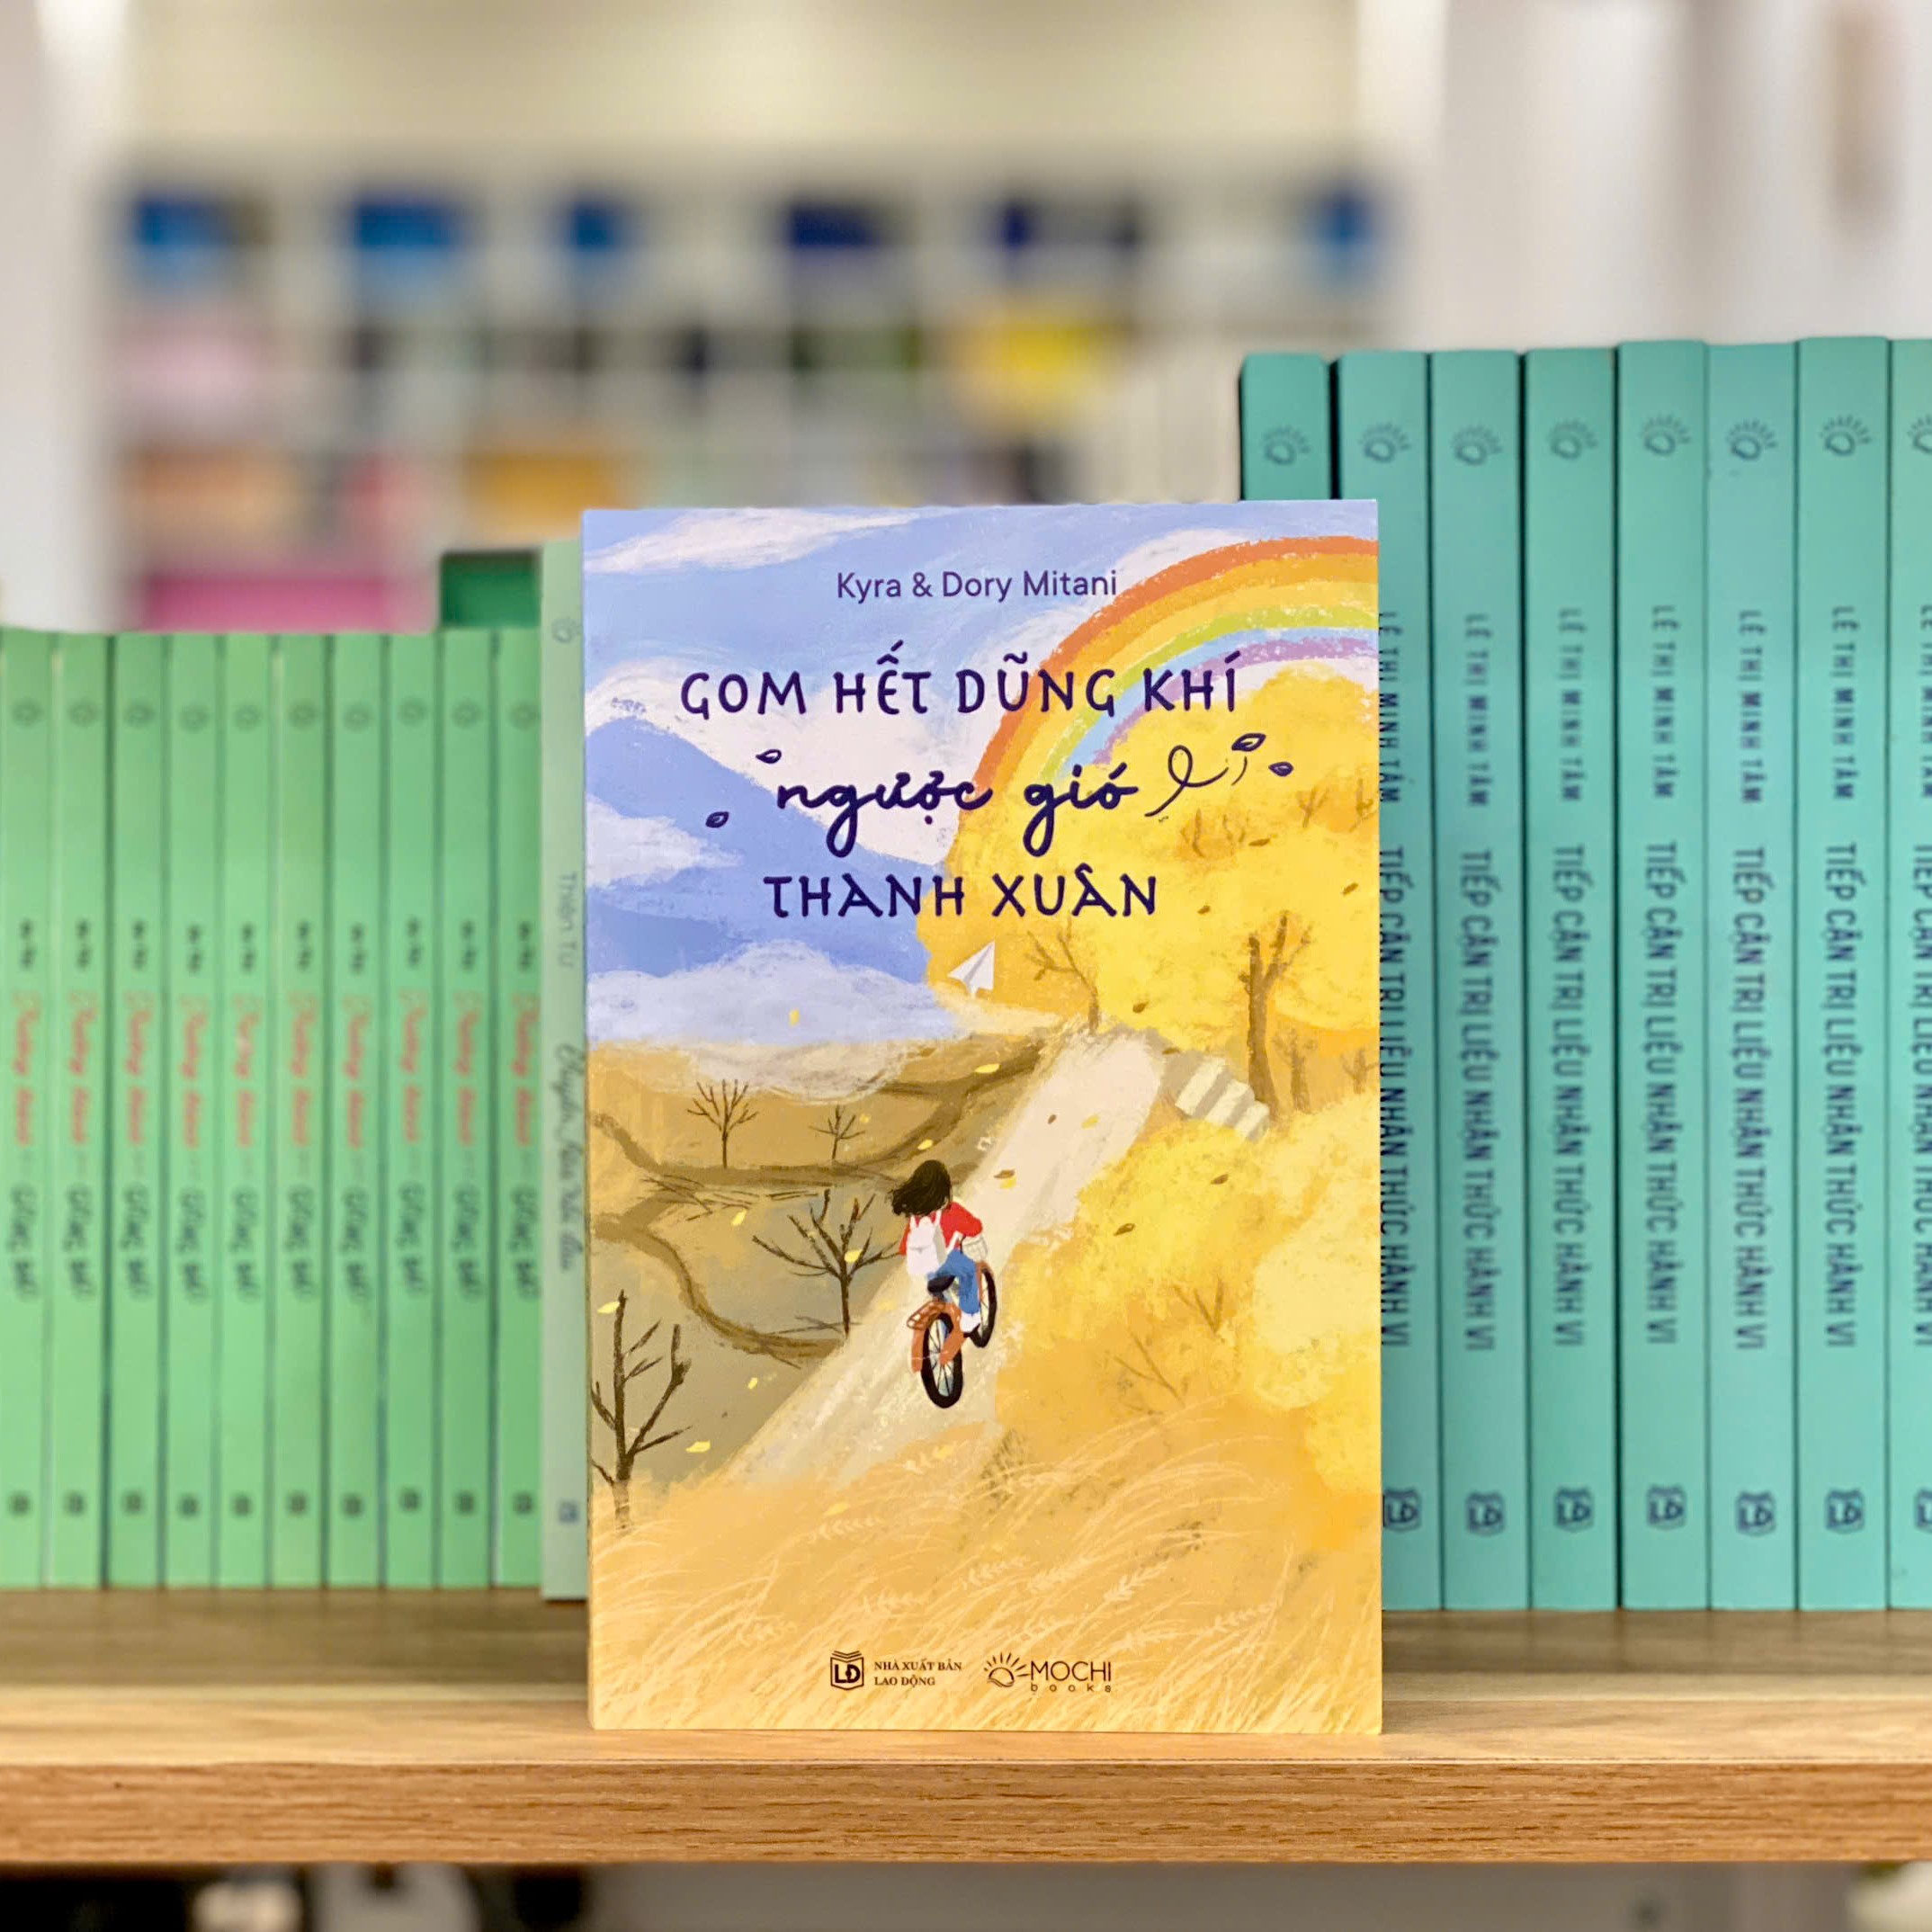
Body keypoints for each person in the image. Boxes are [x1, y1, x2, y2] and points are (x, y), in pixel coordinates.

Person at [890, 1158, 985, 1337]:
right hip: (947, 1260)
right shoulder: (951, 1210)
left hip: (926, 1269)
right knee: (969, 1271)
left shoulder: (915, 1219)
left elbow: (904, 1248)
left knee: (943, 1301)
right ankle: (970, 1315)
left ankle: (946, 1336)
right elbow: (975, 1227)